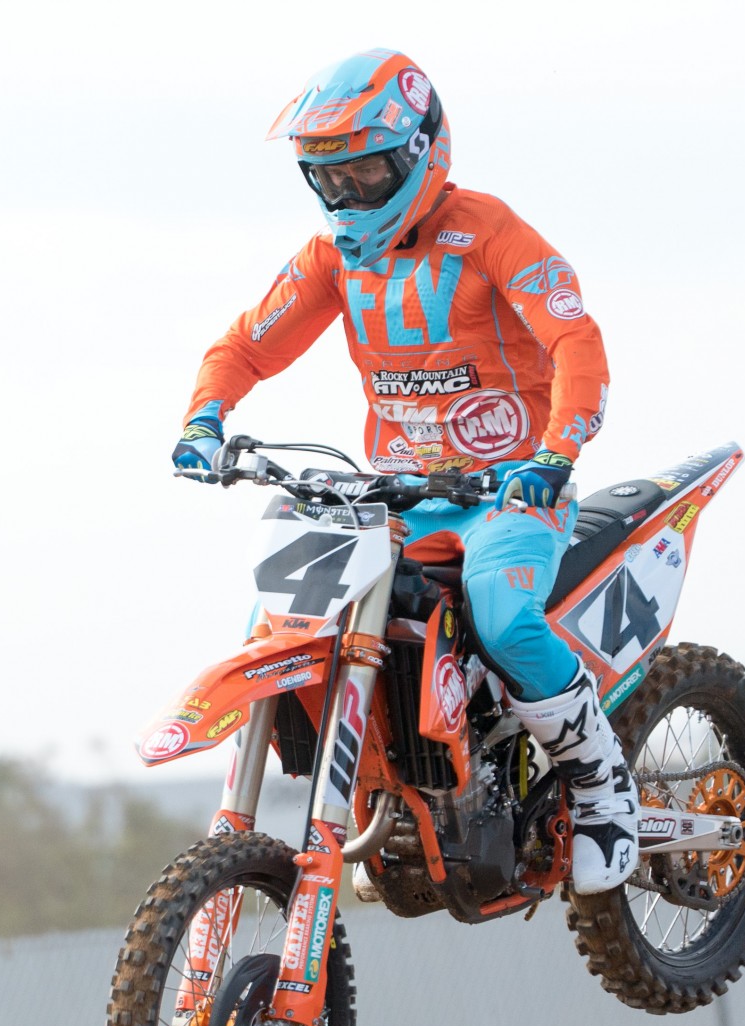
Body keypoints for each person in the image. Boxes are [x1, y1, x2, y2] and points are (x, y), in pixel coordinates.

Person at [170, 48, 636, 892]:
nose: (349, 196)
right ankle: (376, 796)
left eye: (366, 173)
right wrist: (205, 416)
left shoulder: (489, 232)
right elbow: (244, 345)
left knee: (503, 616)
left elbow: (575, 340)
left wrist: (556, 453)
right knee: (276, 619)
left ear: (422, 149)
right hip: (395, 497)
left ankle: (603, 786)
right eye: (330, 179)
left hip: (508, 491)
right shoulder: (332, 258)